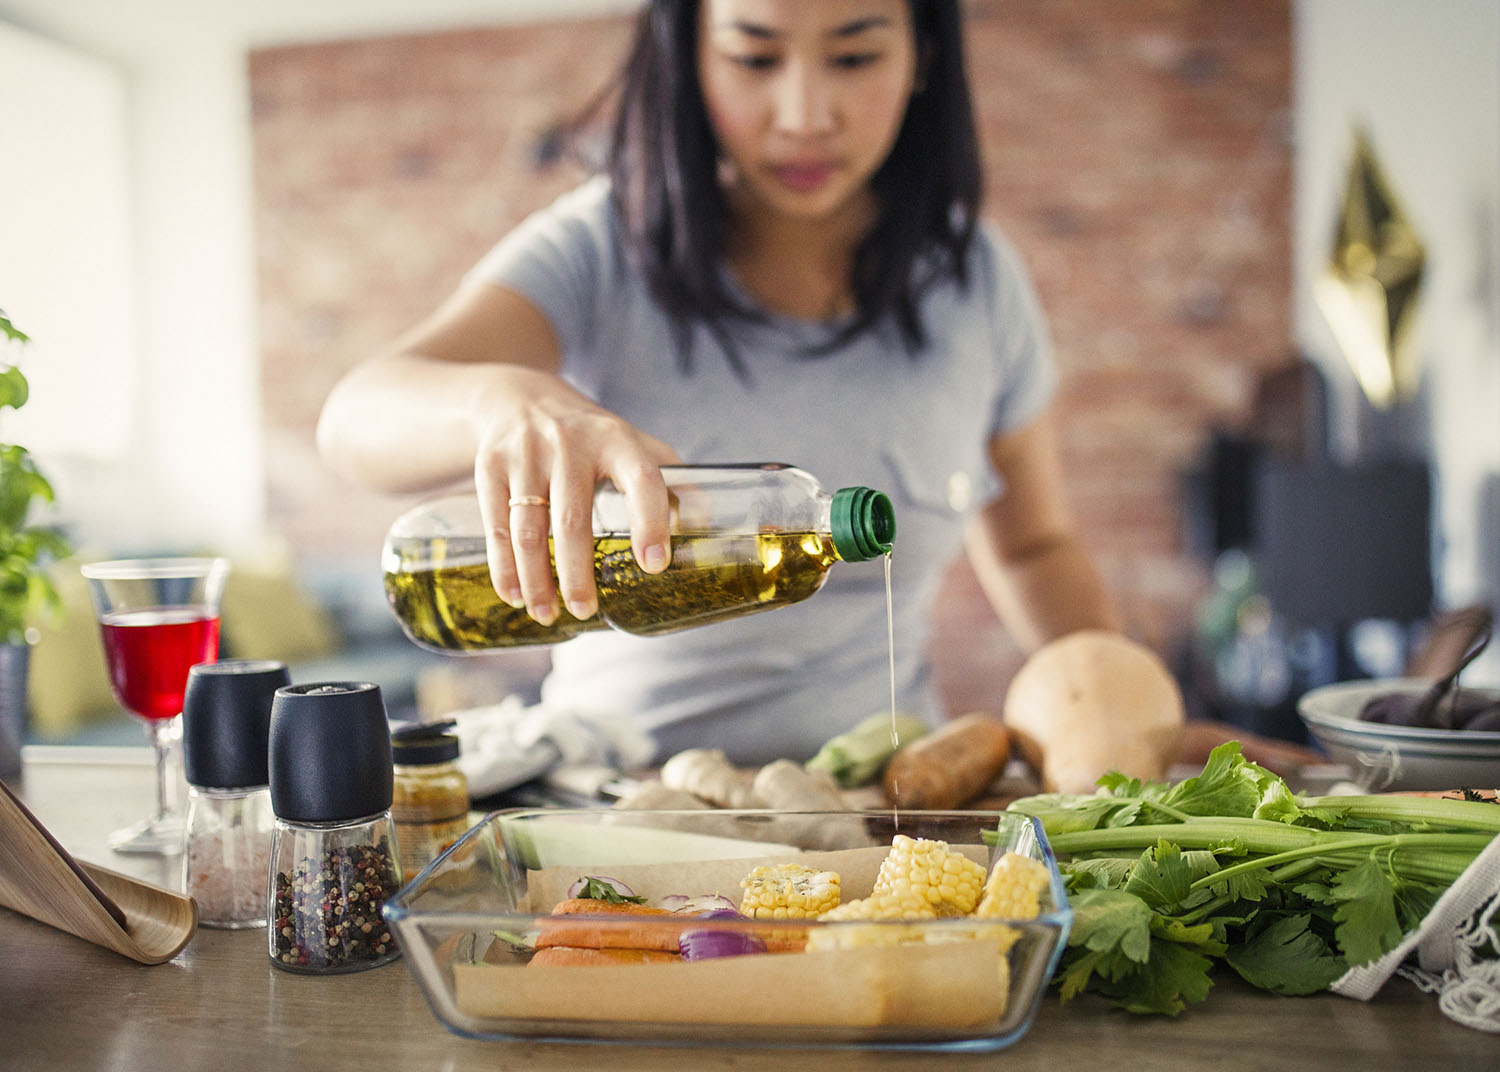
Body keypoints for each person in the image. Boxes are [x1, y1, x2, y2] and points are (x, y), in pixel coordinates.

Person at [318, 0, 1125, 768]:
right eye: (754, 57)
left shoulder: (977, 280)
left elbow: (1033, 545)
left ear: (924, 57)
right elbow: (355, 420)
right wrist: (507, 403)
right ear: (690, 58)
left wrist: (1125, 710)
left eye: (854, 56)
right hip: (620, 805)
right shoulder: (600, 248)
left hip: (888, 803)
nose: (806, 114)